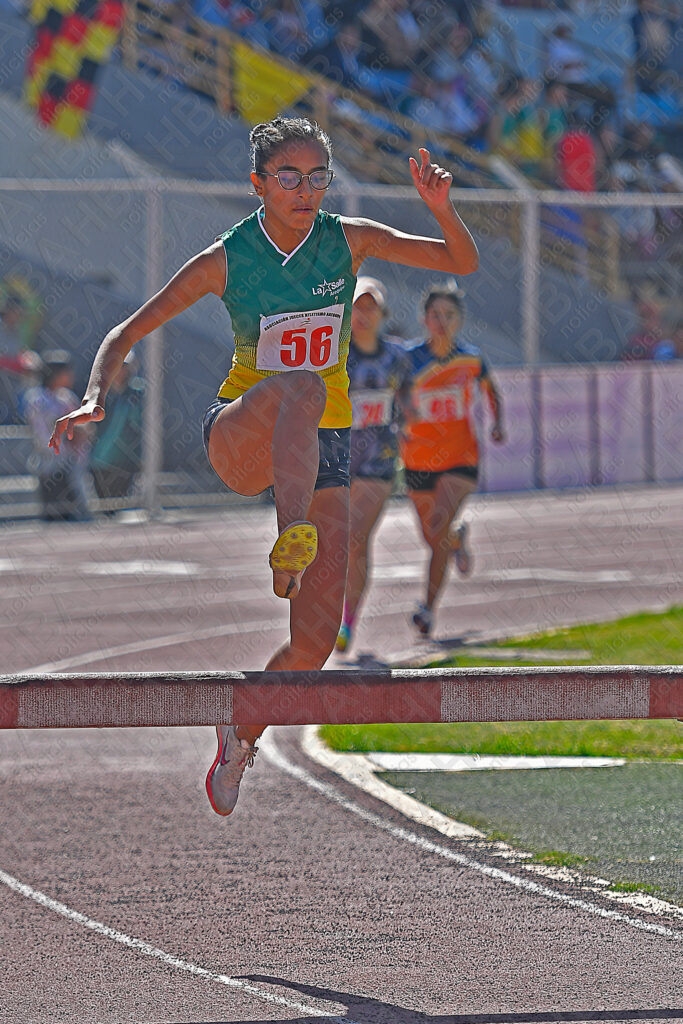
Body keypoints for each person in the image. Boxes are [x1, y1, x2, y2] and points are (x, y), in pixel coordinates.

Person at [49, 116, 478, 816]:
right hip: (243, 435)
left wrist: (439, 208)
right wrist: (97, 393)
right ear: (257, 184)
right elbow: (127, 330)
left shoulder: (348, 241)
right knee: (301, 386)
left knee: (311, 646)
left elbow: (459, 263)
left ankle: (242, 732)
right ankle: (290, 540)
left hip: (324, 447)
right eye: (289, 177)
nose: (305, 189)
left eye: (317, 177)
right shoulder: (228, 257)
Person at [399, 284, 503, 637]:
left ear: (459, 320)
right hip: (416, 459)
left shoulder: (471, 359)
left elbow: (492, 390)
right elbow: (392, 396)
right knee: (433, 538)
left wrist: (498, 423)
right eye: (435, 315)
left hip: (461, 458)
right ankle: (456, 540)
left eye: (449, 315)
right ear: (424, 319)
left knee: (439, 524)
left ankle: (427, 609)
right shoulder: (408, 359)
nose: (442, 321)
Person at [335, 276, 411, 654]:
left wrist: (410, 429)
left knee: (354, 538)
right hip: (336, 459)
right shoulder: (334, 355)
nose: (363, 314)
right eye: (357, 306)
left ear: (383, 314)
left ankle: (347, 621)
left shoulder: (397, 357)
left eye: (371, 307)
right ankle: (330, 613)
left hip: (378, 462)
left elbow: (409, 399)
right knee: (334, 542)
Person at [25, 351, 92, 521]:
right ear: (53, 374)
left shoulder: (66, 397)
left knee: (74, 514)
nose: (71, 376)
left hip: (71, 462)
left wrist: (81, 431)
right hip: (50, 464)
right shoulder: (37, 398)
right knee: (54, 515)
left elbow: (85, 425)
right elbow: (42, 435)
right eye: (66, 372)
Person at [89, 350, 144, 510]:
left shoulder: (137, 391)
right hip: (100, 458)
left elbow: (141, 422)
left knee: (120, 505)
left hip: (125, 460)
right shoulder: (99, 392)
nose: (119, 371)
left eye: (123, 367)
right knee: (104, 506)